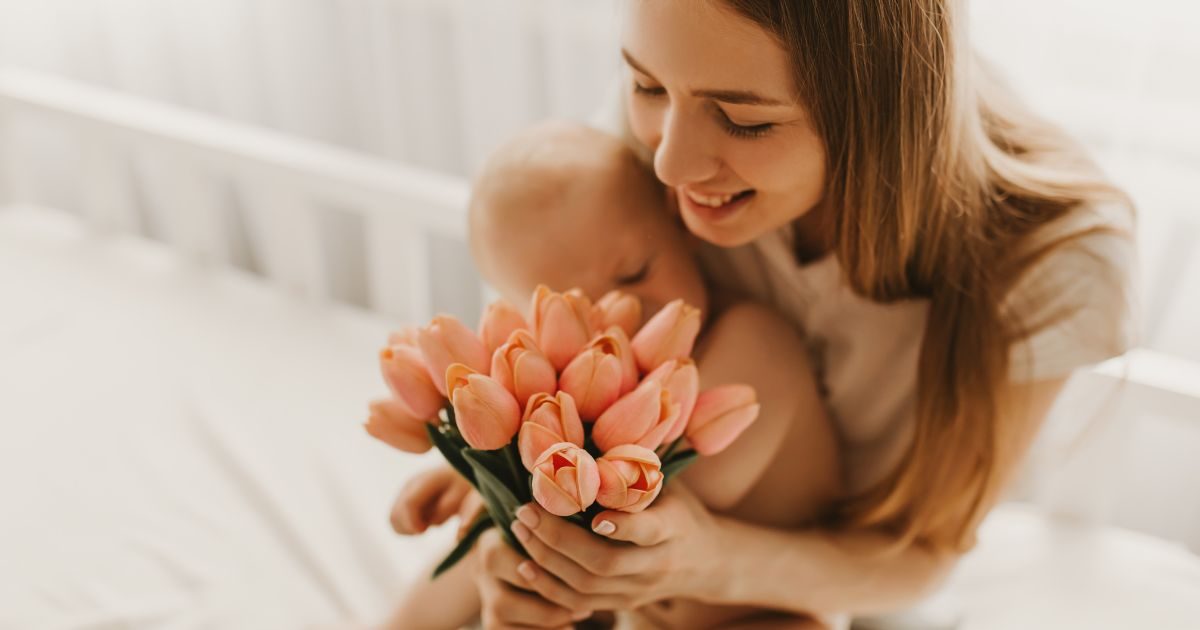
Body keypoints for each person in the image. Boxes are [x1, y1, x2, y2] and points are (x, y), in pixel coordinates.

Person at [393, 0, 1135, 628]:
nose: (669, 168)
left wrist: (704, 562)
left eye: (746, 123)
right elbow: (556, 358)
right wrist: (500, 502)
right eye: (645, 83)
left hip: (816, 588)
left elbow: (919, 559)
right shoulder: (659, 134)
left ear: (878, 118)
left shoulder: (1052, 262)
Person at [385, 121, 842, 629]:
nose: (623, 311)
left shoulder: (755, 343)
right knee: (496, 549)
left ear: (678, 225)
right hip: (629, 609)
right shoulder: (565, 402)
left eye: (635, 273)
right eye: (573, 311)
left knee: (519, 522)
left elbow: (652, 489)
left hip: (755, 611)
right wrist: (476, 469)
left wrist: (488, 493)